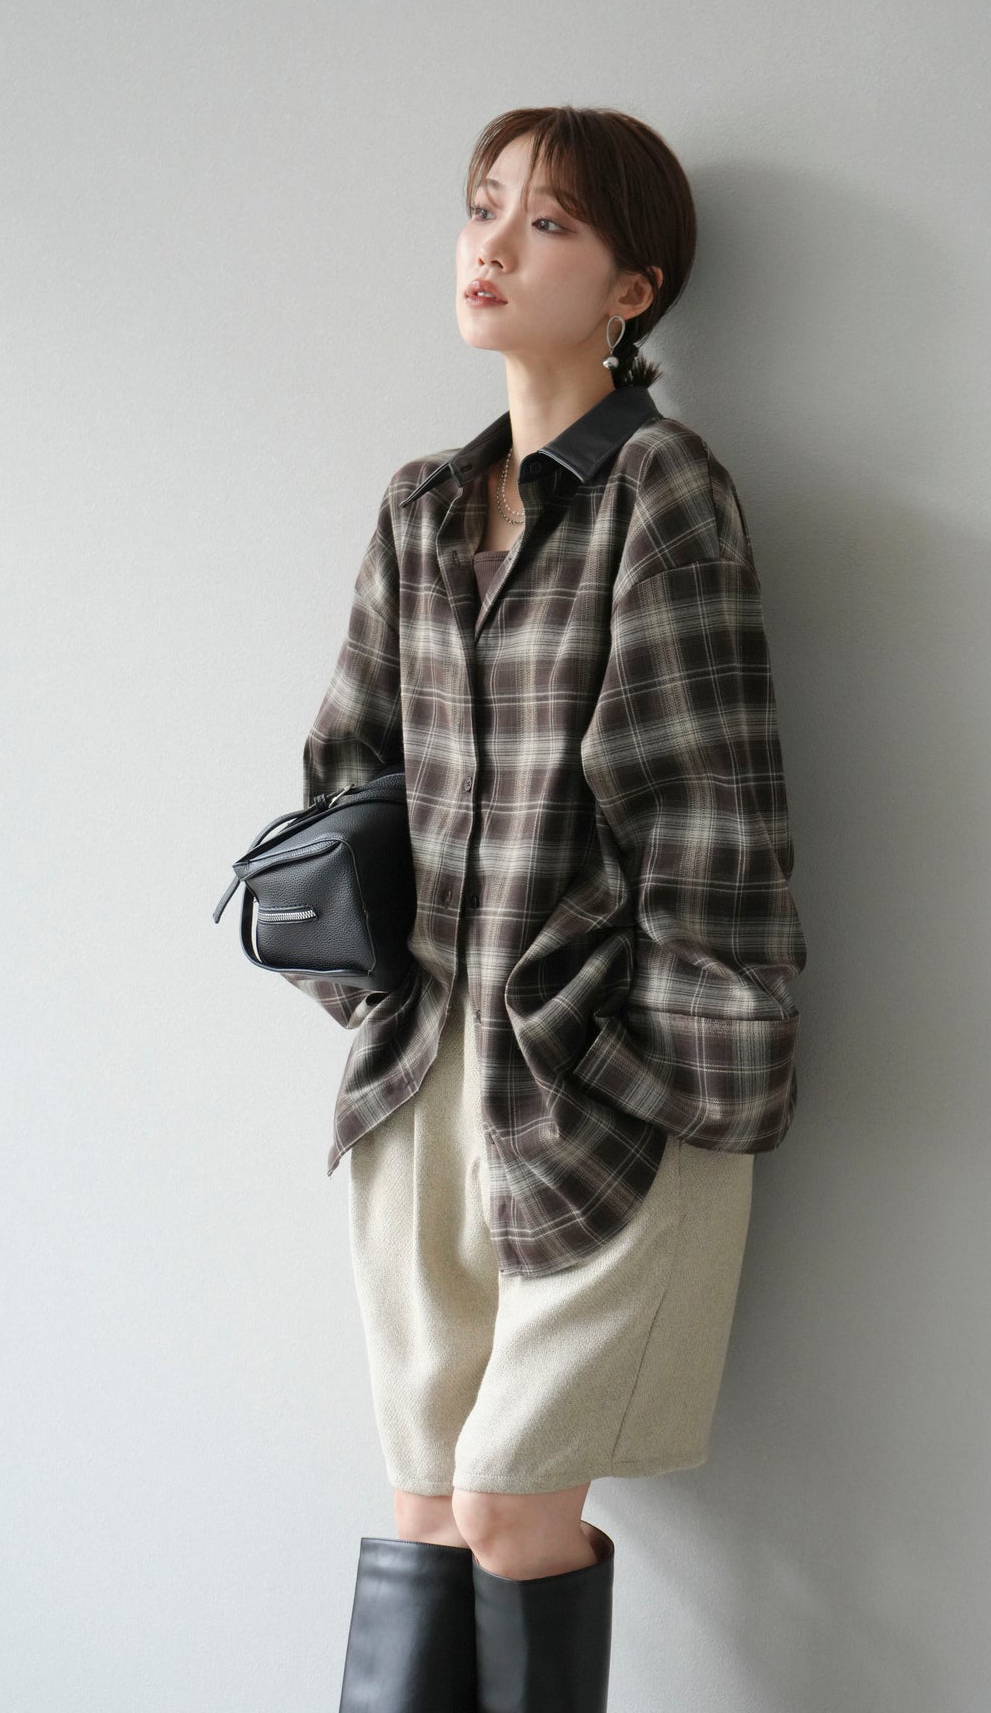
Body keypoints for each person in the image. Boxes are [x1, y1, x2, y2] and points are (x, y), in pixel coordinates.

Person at [294, 105, 808, 1712]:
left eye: (549, 224)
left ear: (631, 291)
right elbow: (345, 776)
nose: (493, 245)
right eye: (482, 208)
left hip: (598, 1076)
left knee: (512, 1514)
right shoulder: (421, 508)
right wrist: (368, 997)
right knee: (429, 1515)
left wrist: (655, 1057)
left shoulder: (661, 490)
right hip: (420, 1073)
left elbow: (709, 814)